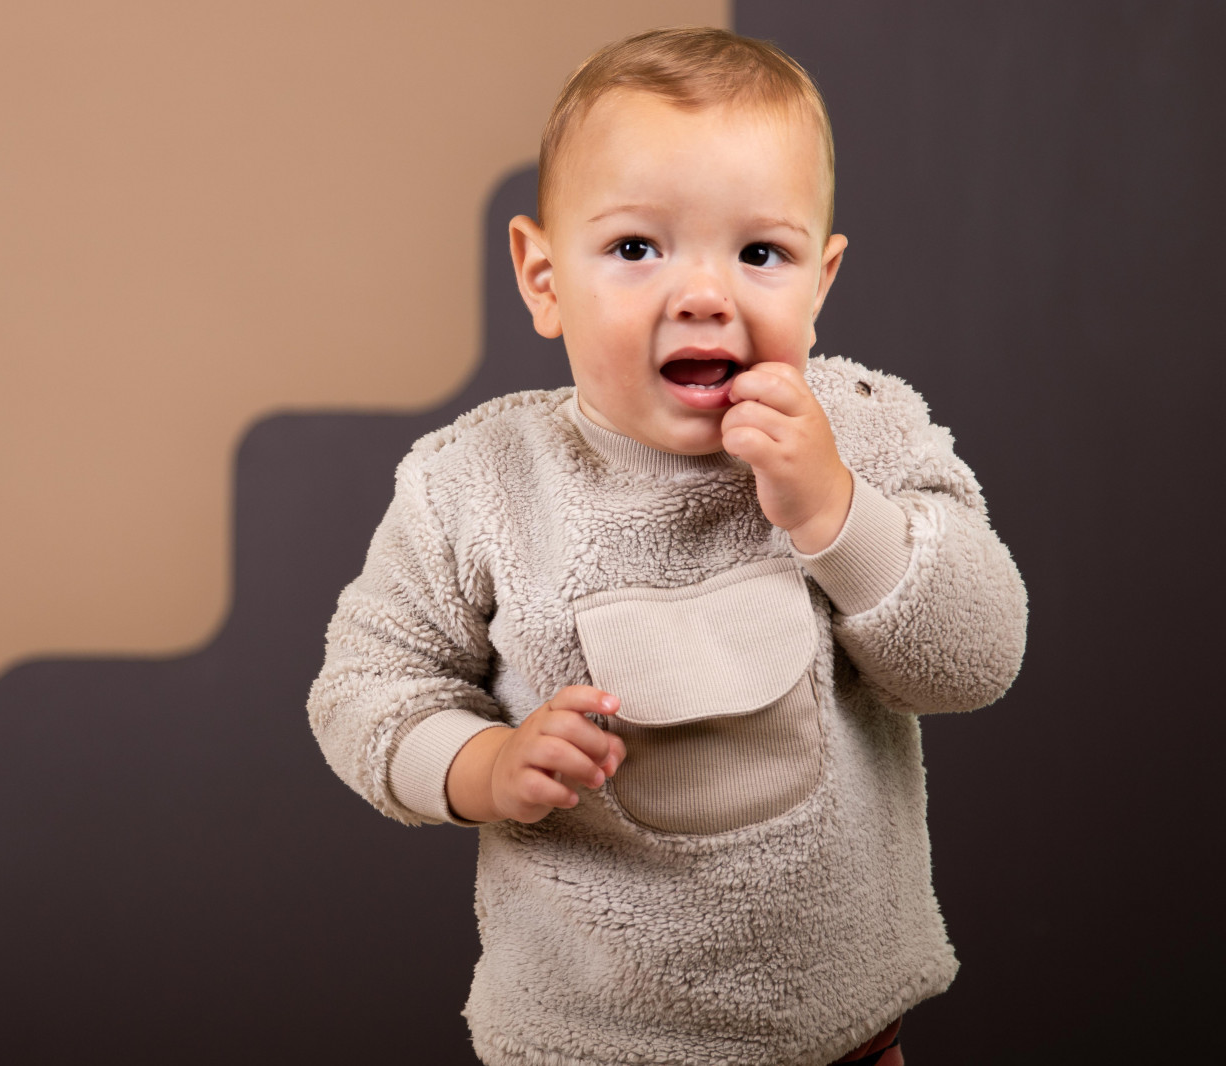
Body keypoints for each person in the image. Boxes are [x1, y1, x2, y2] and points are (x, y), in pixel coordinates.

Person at [307, 26, 1026, 1066]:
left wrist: (833, 510)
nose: (703, 294)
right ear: (544, 276)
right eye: (637, 248)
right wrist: (483, 763)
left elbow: (975, 657)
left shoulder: (863, 429)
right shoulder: (480, 480)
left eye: (759, 253)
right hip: (588, 1040)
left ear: (818, 284)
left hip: (845, 1030)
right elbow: (364, 687)